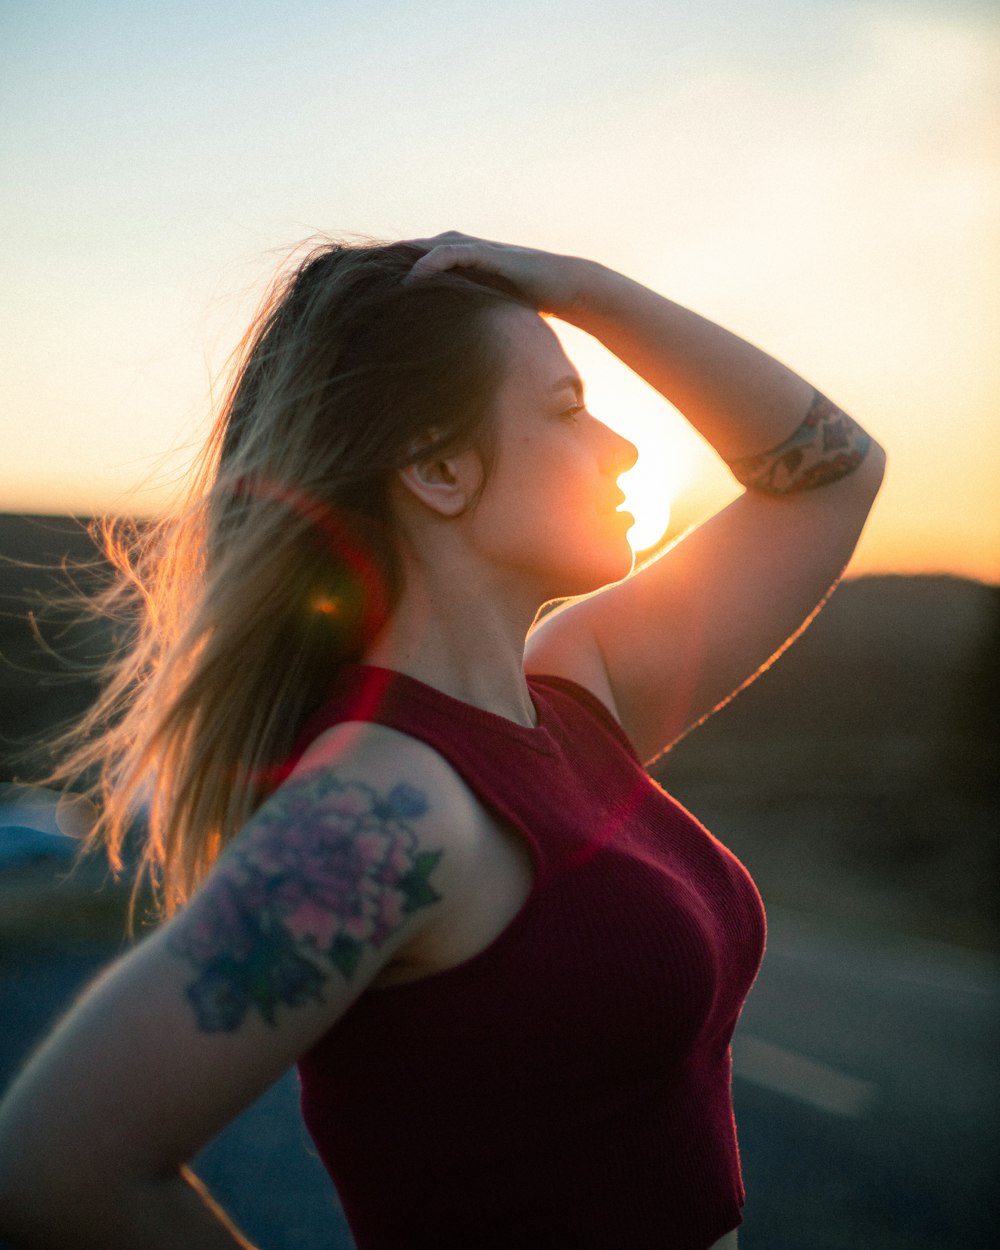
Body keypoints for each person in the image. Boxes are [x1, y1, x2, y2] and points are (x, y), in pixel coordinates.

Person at [0, 231, 884, 1249]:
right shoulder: (388, 802)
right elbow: (56, 1162)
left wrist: (578, 285)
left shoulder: (572, 692)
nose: (622, 446)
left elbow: (831, 471)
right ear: (437, 466)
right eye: (564, 408)